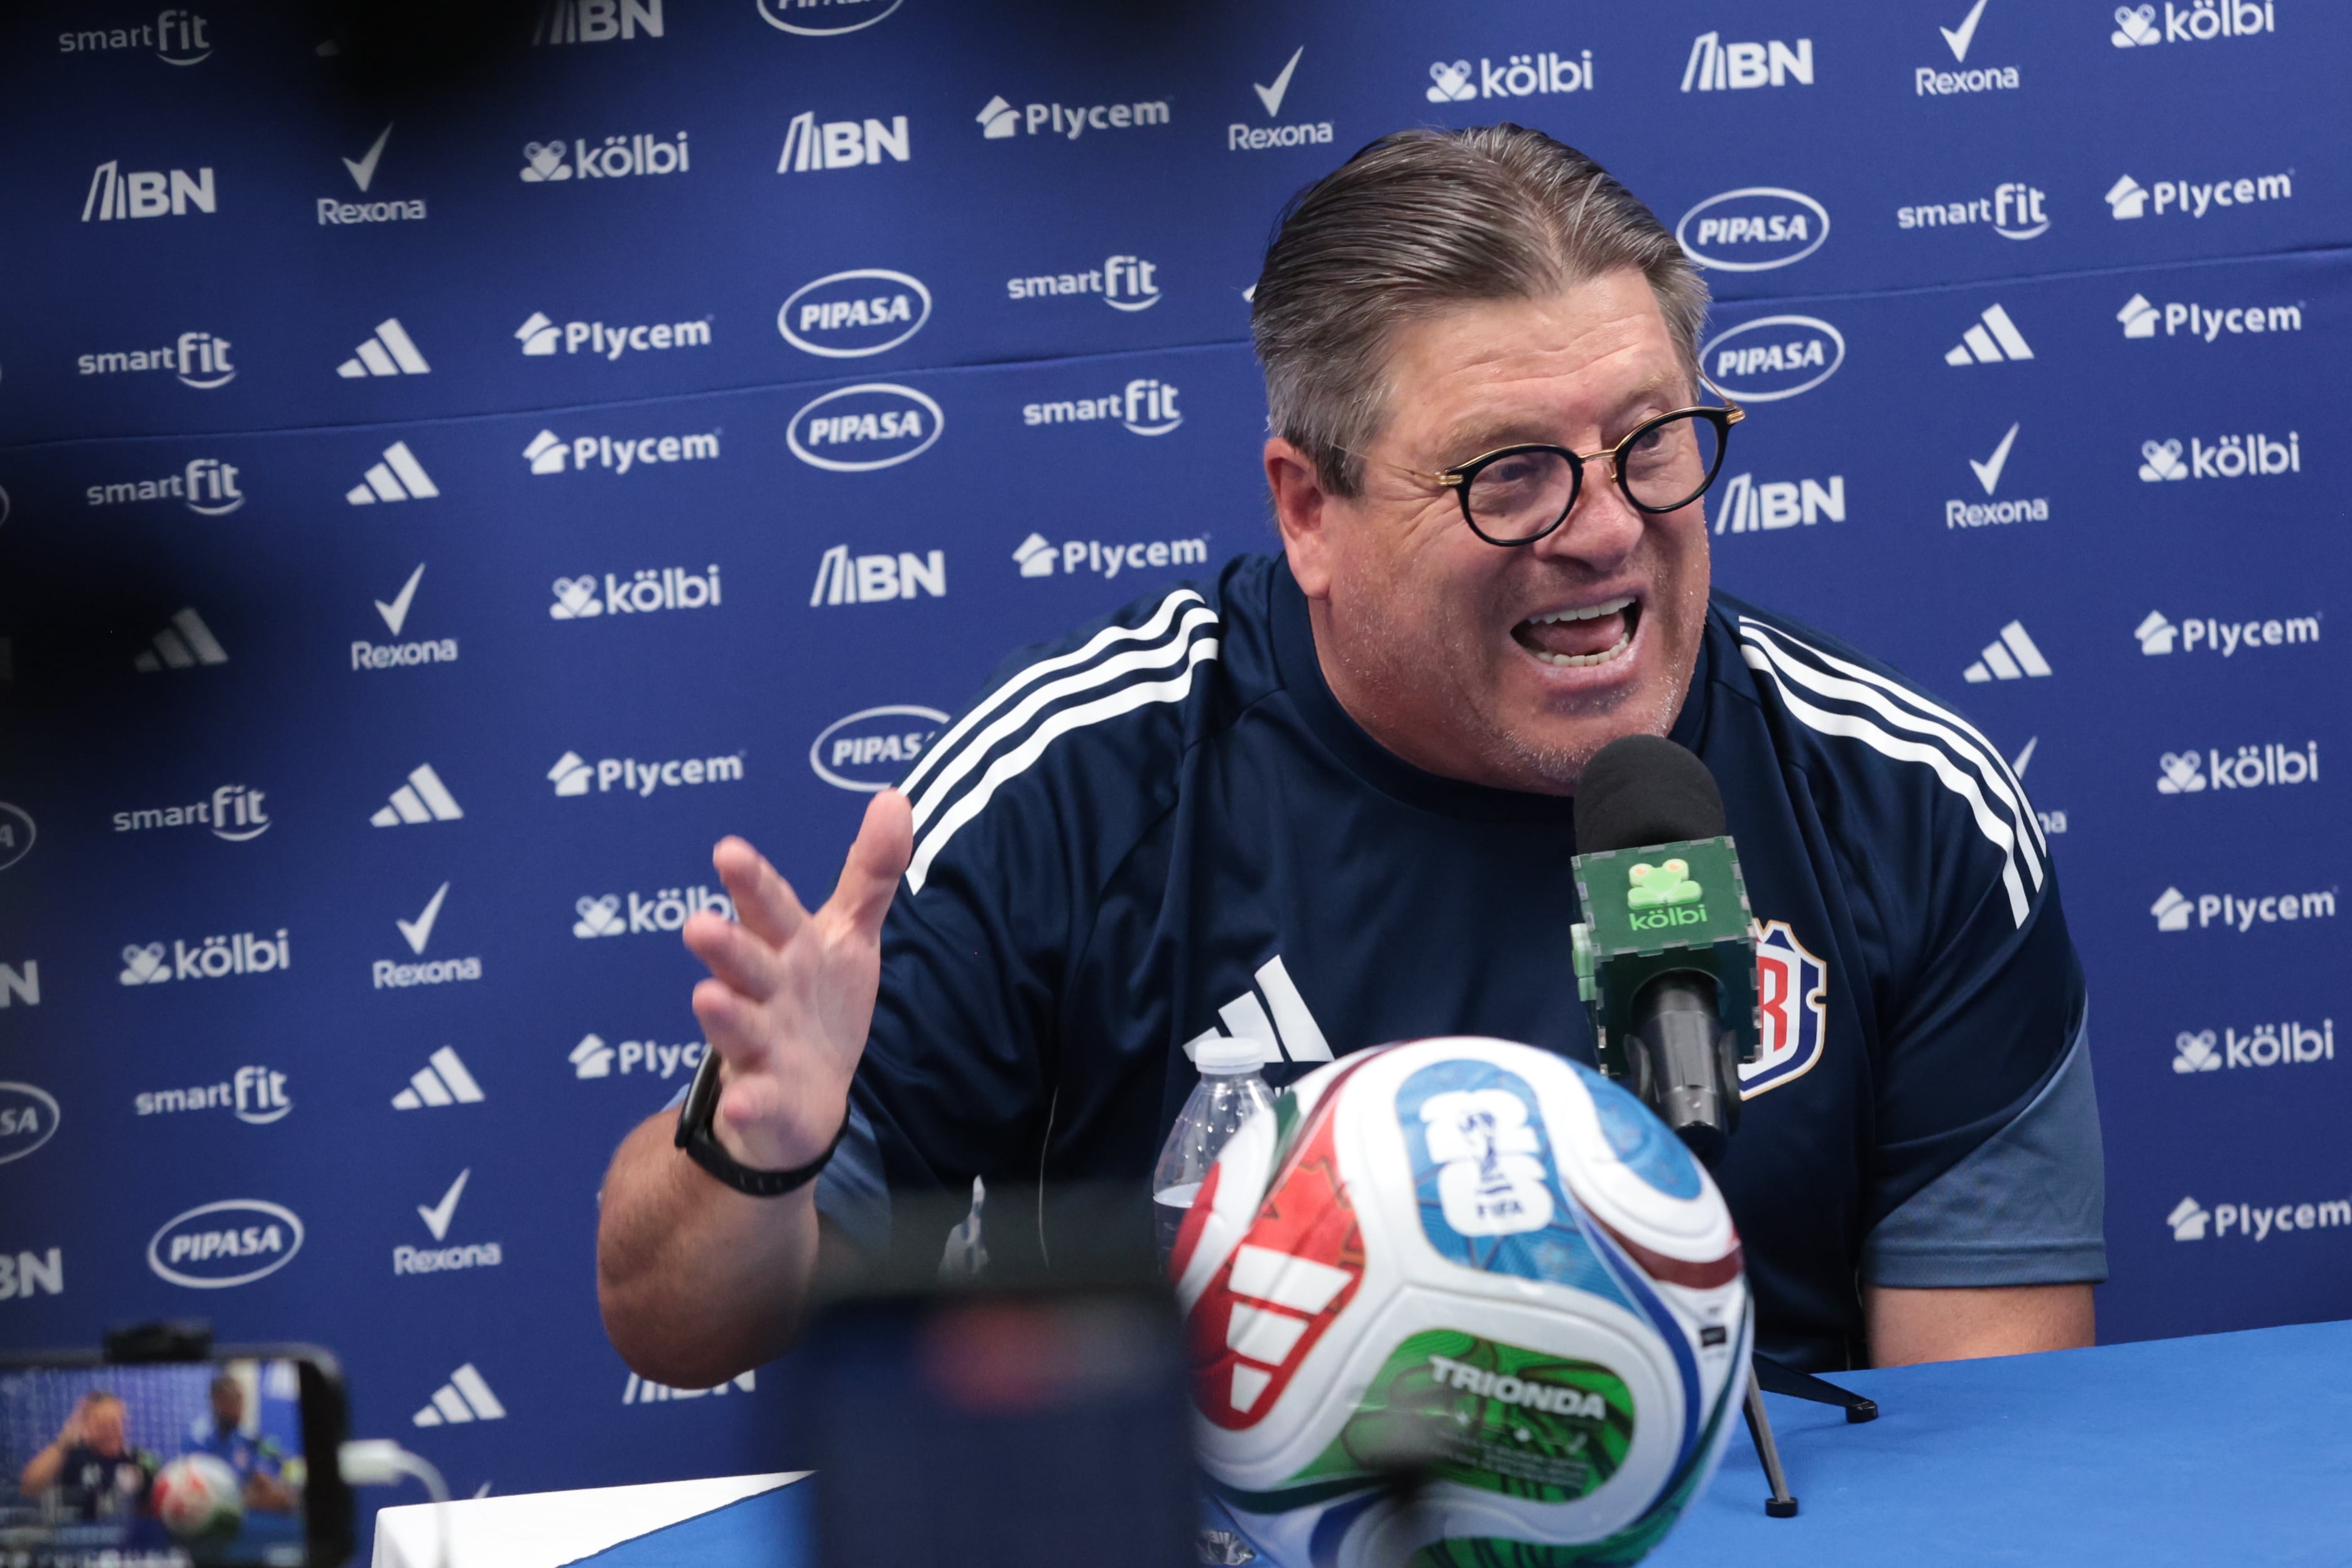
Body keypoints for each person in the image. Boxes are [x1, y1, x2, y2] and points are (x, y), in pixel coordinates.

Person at [597, 126, 2103, 1381]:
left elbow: (1985, 1426)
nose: (1602, 527)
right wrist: (756, 1150)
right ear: (1306, 510)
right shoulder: (1075, 787)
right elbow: (671, 1321)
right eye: (1508, 473)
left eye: (1650, 439)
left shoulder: (1903, 804)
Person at [18, 1391, 156, 1521]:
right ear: (86, 1426)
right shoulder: (70, 1457)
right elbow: (29, 1489)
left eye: (114, 1424)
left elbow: (154, 1511)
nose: (109, 1432)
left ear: (125, 1425)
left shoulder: (139, 1461)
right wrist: (62, 1445)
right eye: (101, 1425)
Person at [184, 1373, 295, 1513]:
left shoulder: (243, 1437)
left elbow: (256, 1476)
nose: (239, 1410)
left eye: (241, 1402)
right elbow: (198, 1495)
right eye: (232, 1402)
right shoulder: (198, 1438)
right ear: (215, 1401)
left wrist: (270, 1488)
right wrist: (255, 1502)